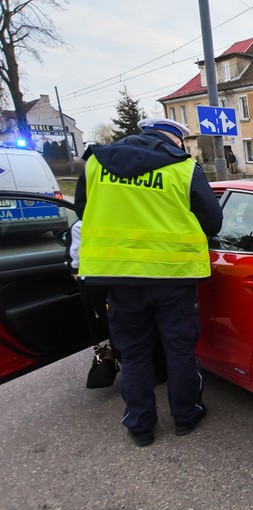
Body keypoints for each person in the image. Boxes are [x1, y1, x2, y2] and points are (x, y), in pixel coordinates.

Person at [75, 118, 223, 447]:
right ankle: (186, 417)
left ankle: (140, 427)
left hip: (120, 279)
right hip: (173, 279)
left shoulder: (96, 163)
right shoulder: (183, 168)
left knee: (135, 354)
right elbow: (213, 221)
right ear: (175, 141)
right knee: (180, 351)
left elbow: (84, 211)